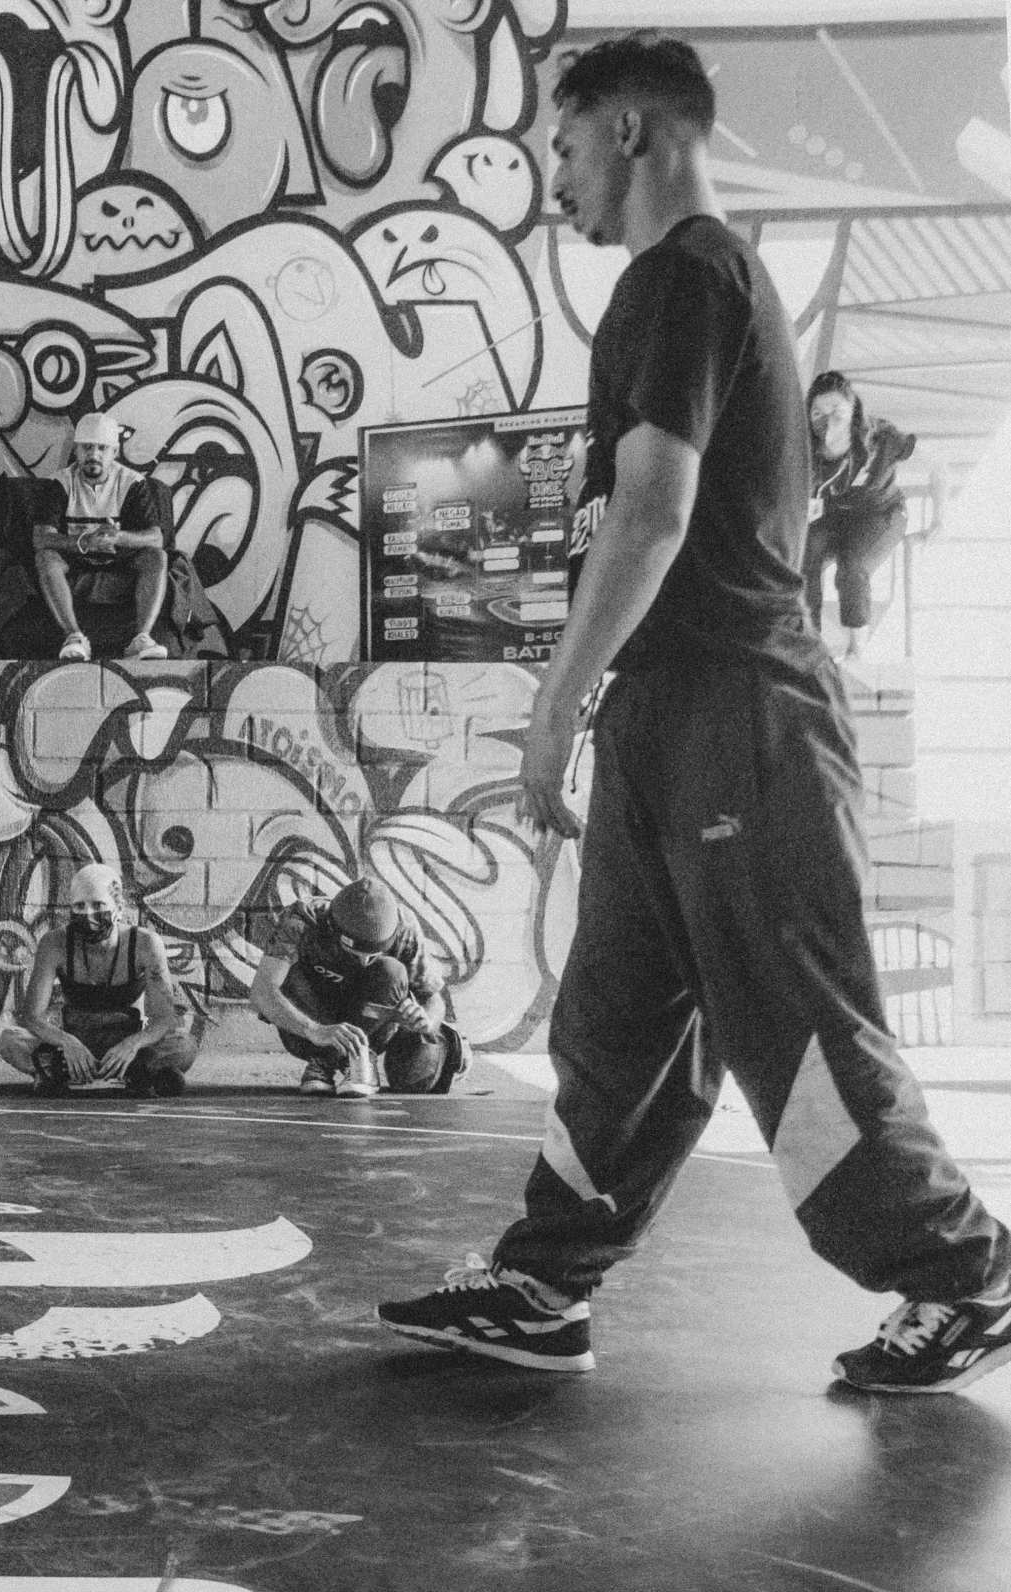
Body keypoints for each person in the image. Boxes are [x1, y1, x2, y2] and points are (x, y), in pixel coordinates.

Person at [377, 35, 1011, 1395]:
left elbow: (656, 513)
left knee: (794, 1023)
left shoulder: (682, 276)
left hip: (739, 709)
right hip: (670, 711)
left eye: (562, 145)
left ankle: (966, 1274)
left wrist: (551, 708)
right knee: (616, 1026)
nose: (552, 176)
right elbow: (644, 516)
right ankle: (545, 1285)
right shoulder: (683, 288)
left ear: (628, 130)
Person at [251, 877, 465, 1098]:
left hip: (373, 1025)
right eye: (354, 954)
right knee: (288, 974)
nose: (364, 963)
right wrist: (312, 1029)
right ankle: (327, 1059)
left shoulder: (404, 927)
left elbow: (433, 999)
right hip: (313, 1024)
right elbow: (262, 990)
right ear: (332, 929)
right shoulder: (303, 919)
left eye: (373, 955)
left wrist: (427, 1021)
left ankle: (343, 1059)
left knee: (415, 1079)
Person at [0, 862, 194, 1097]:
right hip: (74, 1044)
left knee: (185, 1046)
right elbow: (31, 1016)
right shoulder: (55, 944)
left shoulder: (145, 944)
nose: (88, 914)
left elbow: (163, 1019)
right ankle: (133, 1076)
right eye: (79, 906)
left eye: (98, 904)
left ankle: (63, 1075)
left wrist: (132, 1045)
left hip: (125, 1042)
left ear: (119, 908)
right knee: (10, 1040)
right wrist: (67, 1043)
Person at [32, 412, 170, 663]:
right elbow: (41, 538)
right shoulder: (59, 483)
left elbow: (155, 538)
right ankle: (74, 637)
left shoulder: (133, 483)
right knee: (46, 558)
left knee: (157, 557)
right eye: (87, 447)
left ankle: (141, 640)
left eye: (102, 448)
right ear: (76, 451)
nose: (94, 455)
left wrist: (118, 537)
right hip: (76, 557)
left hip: (120, 558)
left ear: (114, 453)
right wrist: (82, 542)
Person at [804, 371, 920, 662]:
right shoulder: (803, 446)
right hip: (834, 517)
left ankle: (857, 651)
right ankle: (810, 645)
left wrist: (940, 520)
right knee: (804, 557)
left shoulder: (882, 438)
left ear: (853, 411)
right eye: (818, 413)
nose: (827, 422)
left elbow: (938, 465)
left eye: (836, 412)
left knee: (851, 566)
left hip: (881, 513)